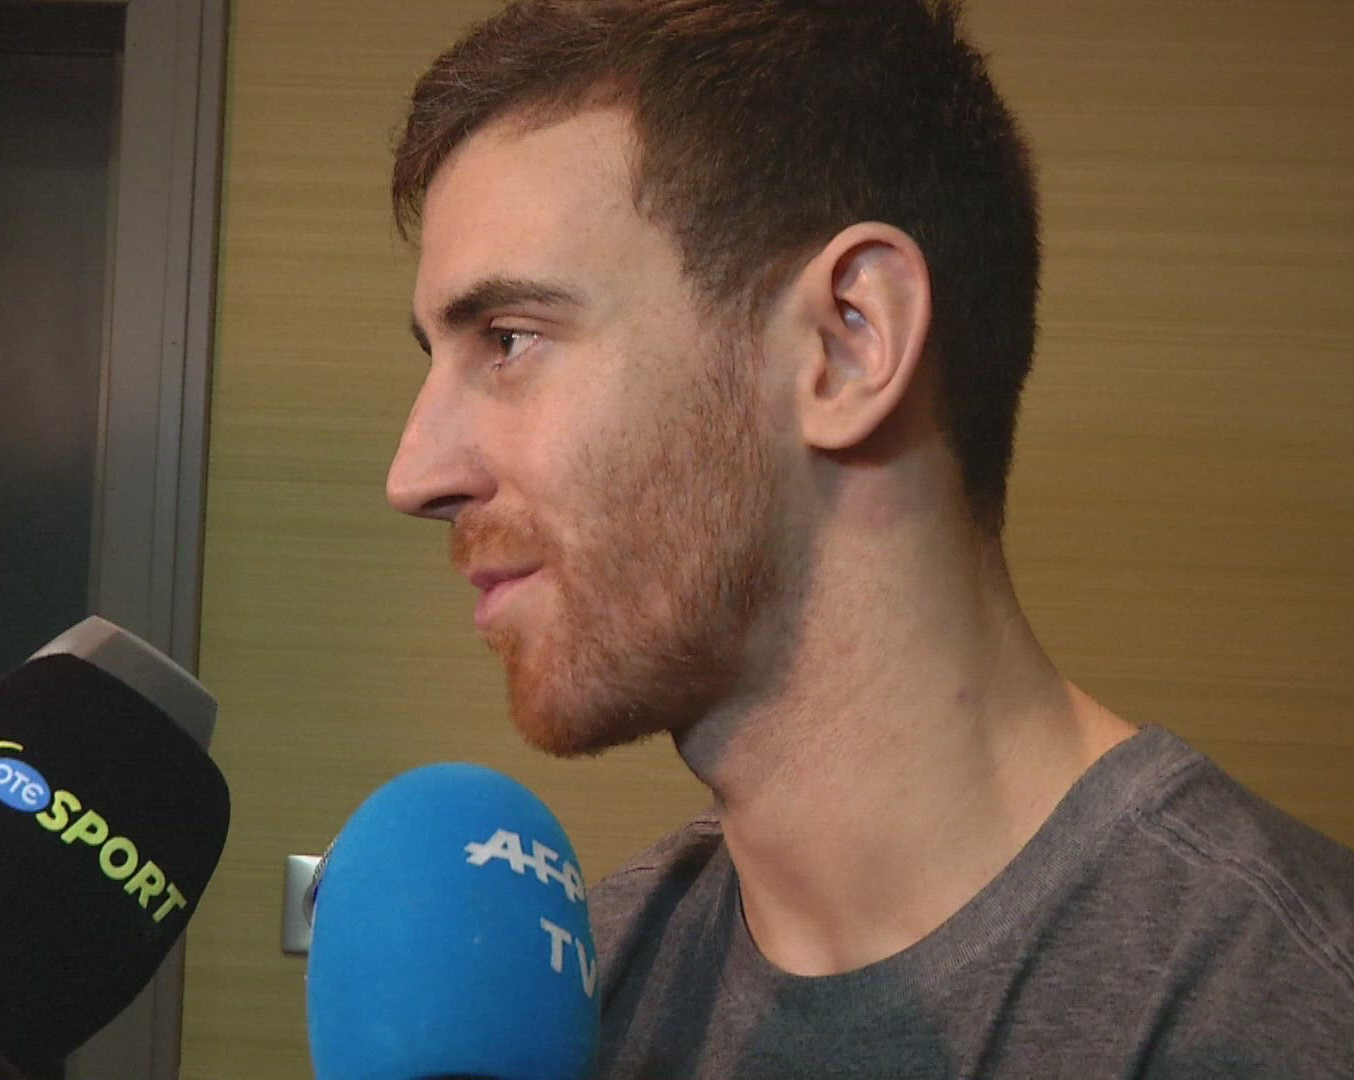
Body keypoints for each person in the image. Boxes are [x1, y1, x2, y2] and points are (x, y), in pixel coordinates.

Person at [381, 0, 1354, 1075]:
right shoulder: (589, 997)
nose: (414, 476)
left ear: (850, 342)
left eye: (509, 340)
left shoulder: (1284, 1007)